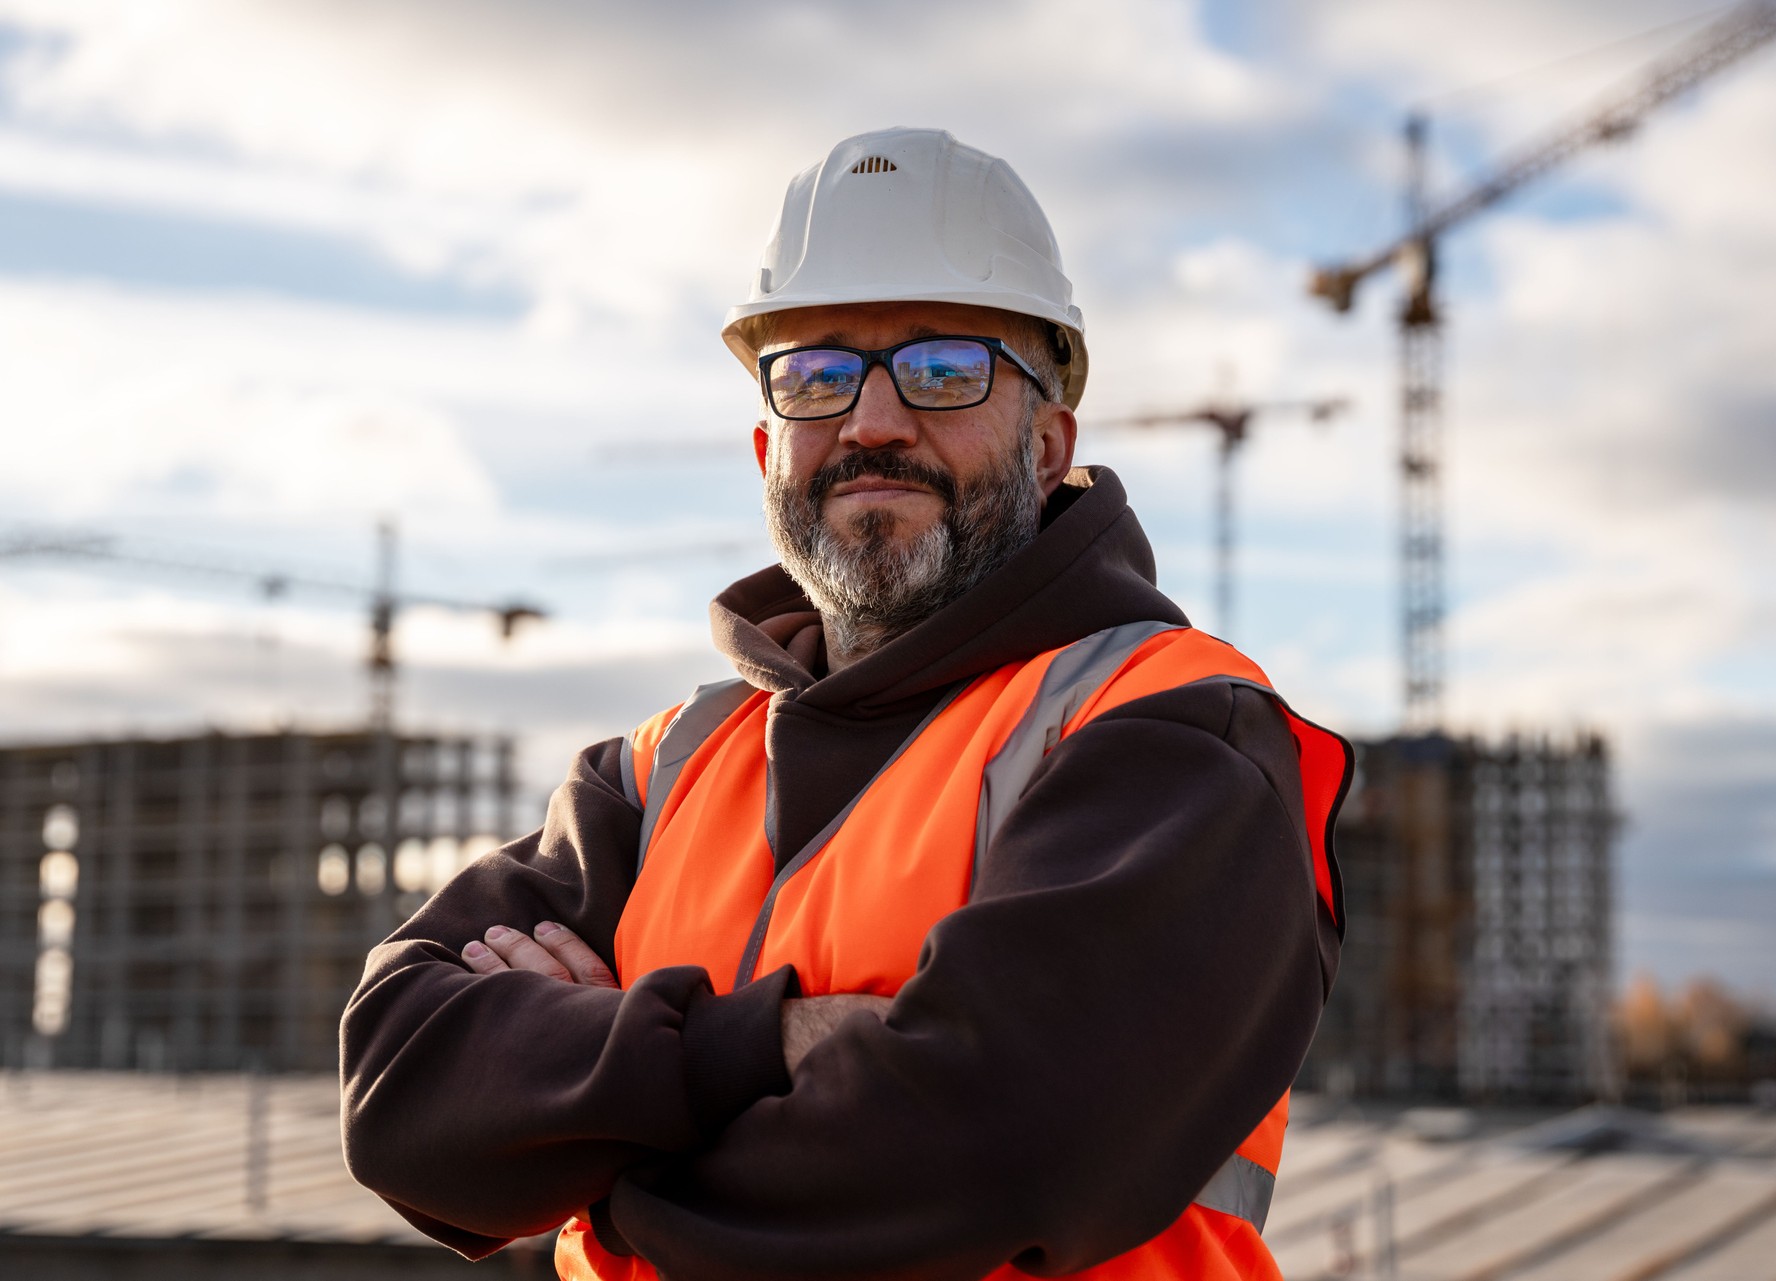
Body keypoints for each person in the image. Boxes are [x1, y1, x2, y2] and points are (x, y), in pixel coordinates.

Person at [341, 127, 1349, 1281]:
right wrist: (762, 1045)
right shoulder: (662, 769)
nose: (872, 421)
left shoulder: (1172, 731)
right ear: (770, 444)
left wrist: (598, 1159)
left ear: (1049, 443)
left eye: (944, 368)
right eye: (819, 371)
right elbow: (400, 1086)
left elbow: (997, 1151)